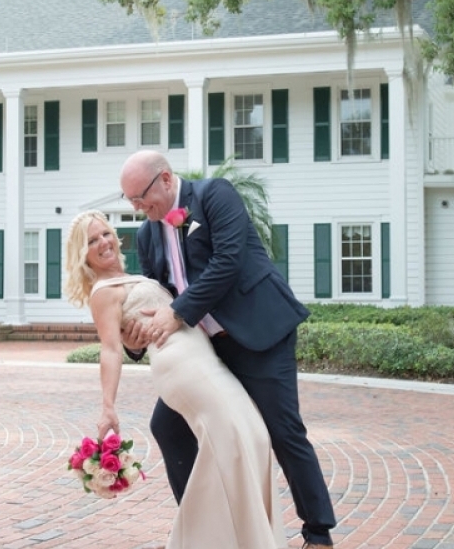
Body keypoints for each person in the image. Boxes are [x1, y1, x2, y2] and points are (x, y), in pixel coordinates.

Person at [118, 150, 337, 549]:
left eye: (141, 196)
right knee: (167, 426)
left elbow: (229, 260)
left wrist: (177, 311)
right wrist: (134, 342)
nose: (137, 207)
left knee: (282, 429)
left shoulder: (214, 195)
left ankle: (318, 532)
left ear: (166, 179)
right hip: (206, 351)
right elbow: (155, 295)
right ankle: (205, 527)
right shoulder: (149, 235)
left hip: (258, 333)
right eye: (129, 201)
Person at [64, 210, 286, 548]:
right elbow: (110, 350)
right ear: (83, 255)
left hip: (202, 358)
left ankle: (224, 537)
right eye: (92, 241)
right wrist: (107, 407)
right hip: (182, 366)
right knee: (240, 439)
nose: (103, 243)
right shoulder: (103, 292)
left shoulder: (130, 278)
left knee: (249, 437)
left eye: (105, 234)